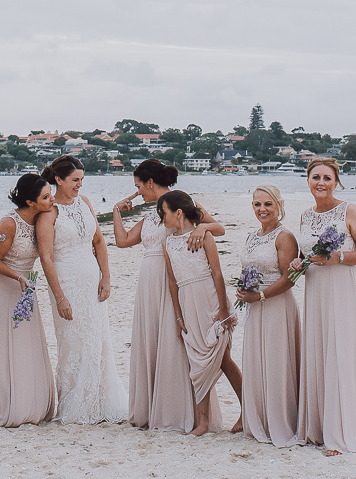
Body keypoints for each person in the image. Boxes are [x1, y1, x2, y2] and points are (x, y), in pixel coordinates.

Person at [111, 159, 223, 428]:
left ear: (151, 182)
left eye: (138, 186)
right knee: (151, 339)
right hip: (148, 280)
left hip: (172, 277)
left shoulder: (181, 204)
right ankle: (150, 409)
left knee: (174, 342)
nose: (138, 192)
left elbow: (217, 227)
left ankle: (177, 410)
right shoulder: (153, 214)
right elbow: (123, 240)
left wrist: (202, 227)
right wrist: (117, 210)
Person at [293, 156, 356, 455]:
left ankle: (344, 432)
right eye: (315, 177)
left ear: (336, 182)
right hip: (316, 291)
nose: (321, 183)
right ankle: (319, 428)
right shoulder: (306, 216)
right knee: (320, 352)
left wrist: (338, 258)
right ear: (308, 181)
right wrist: (299, 262)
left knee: (341, 353)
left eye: (327, 178)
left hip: (342, 291)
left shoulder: (349, 210)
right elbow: (306, 255)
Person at [39, 155, 129, 424]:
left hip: (92, 283)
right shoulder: (49, 212)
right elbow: (46, 257)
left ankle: (99, 403)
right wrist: (60, 298)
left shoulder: (85, 202)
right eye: (75, 180)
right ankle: (75, 404)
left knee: (99, 340)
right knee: (74, 343)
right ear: (58, 180)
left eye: (82, 179)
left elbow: (99, 240)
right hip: (66, 283)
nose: (80, 185)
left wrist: (106, 278)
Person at [0, 172, 58, 426]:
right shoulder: (8, 223)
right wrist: (18, 278)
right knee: (3, 346)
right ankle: (5, 405)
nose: (51, 199)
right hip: (2, 286)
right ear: (31, 202)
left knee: (27, 344)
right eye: (46, 197)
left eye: (50, 193)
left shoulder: (43, 219)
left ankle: (31, 402)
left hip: (26, 288)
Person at [156, 190, 234, 437]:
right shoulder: (167, 242)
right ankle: (202, 421)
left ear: (178, 213)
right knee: (196, 362)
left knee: (222, 359)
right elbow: (172, 282)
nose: (162, 220)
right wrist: (178, 317)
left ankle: (248, 410)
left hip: (210, 299)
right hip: (187, 303)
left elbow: (217, 273)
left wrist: (223, 309)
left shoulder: (204, 236)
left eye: (164, 214)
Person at [232, 183, 303, 446]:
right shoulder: (251, 236)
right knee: (257, 361)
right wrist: (244, 288)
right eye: (257, 204)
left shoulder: (284, 237)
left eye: (268, 204)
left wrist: (260, 296)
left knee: (276, 362)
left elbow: (290, 278)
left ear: (279, 206)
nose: (262, 209)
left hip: (276, 305)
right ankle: (259, 418)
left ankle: (280, 420)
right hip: (254, 306)